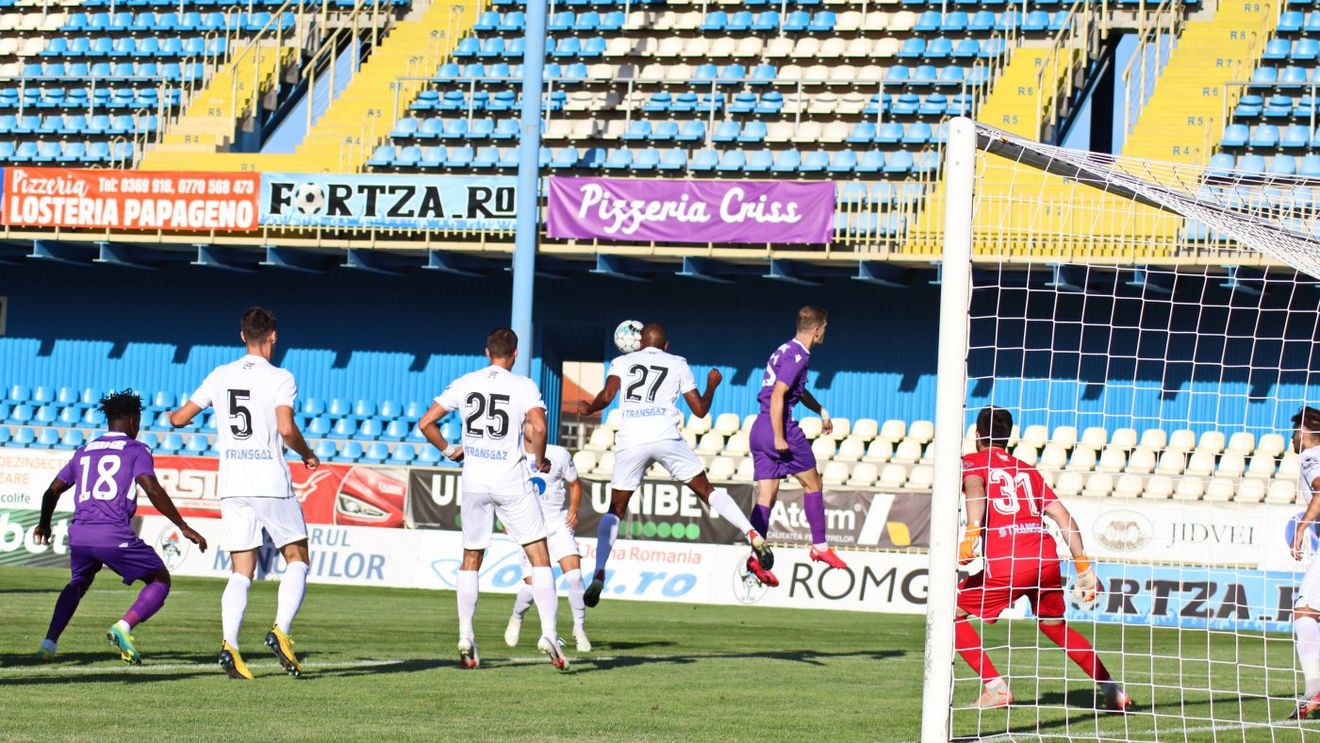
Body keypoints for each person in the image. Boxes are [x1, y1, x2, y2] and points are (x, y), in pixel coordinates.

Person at [576, 322, 771, 607]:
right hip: (666, 436)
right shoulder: (677, 363)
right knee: (707, 491)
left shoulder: (622, 361)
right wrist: (711, 386)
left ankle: (599, 573)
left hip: (632, 439)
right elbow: (700, 411)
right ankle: (752, 533)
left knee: (616, 509)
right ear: (666, 346)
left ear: (640, 343)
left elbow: (606, 397)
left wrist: (588, 407)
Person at [170, 306, 319, 680]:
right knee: (297, 556)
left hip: (233, 482)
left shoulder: (221, 375)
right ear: (274, 337)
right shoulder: (281, 377)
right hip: (268, 479)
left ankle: (230, 645)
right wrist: (307, 453)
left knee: (241, 571)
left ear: (241, 336)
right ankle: (281, 629)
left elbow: (179, 418)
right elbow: (286, 429)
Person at [955, 406, 1131, 711]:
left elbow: (974, 489)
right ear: (1008, 437)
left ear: (977, 435)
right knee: (1054, 626)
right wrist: (1082, 565)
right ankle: (1113, 691)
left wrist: (972, 532)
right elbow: (1063, 517)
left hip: (1009, 561)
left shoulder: (972, 462)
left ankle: (995, 687)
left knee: (949, 615)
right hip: (1046, 561)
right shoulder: (1028, 470)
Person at [418, 327, 569, 671]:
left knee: (471, 558)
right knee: (539, 556)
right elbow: (540, 428)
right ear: (515, 355)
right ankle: (548, 633)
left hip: (474, 480)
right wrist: (541, 459)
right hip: (510, 480)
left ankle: (465, 634)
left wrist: (448, 450)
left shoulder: (465, 382)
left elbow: (426, 422)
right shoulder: (523, 386)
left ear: (487, 352)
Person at [33, 390, 208, 665]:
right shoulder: (137, 450)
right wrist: (182, 525)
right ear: (130, 420)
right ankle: (123, 627)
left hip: (80, 535)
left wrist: (44, 524)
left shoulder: (84, 451)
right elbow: (151, 487)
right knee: (160, 579)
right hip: (112, 533)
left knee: (78, 583)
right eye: (137, 421)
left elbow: (51, 491)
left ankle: (48, 644)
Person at [744, 305, 846, 588]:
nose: (825, 332)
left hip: (758, 429)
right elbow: (779, 394)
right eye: (824, 328)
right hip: (780, 428)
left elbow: (791, 390)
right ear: (817, 329)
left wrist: (820, 410)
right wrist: (780, 436)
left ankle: (755, 557)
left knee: (766, 496)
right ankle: (821, 547)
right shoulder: (799, 355)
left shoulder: (784, 350)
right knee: (813, 484)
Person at [505, 442, 591, 652]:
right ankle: (517, 617)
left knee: (575, 576)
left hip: (557, 523)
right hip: (529, 526)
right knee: (532, 588)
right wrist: (507, 520)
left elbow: (575, 484)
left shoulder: (559, 454)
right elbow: (504, 492)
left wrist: (573, 508)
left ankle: (579, 629)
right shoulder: (513, 455)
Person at [1288, 406, 1320, 719]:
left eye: (1296, 430)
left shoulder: (1312, 455)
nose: (1293, 437)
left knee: (1305, 612)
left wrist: (1302, 526)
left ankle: (1315, 689)